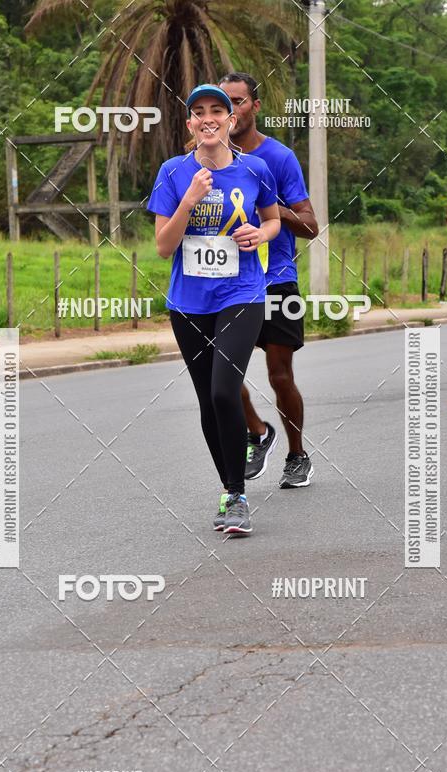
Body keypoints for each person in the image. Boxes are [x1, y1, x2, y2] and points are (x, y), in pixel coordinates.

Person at [147, 84, 280, 535]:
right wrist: (189, 199)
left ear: (231, 120)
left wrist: (261, 235)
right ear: (189, 124)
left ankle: (237, 494)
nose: (208, 118)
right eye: (198, 112)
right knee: (207, 398)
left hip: (242, 294)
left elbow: (275, 219)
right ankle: (230, 489)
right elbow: (164, 247)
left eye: (217, 111)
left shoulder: (255, 168)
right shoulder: (173, 171)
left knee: (226, 391)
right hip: (188, 303)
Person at [218, 72, 319, 487]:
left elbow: (311, 225)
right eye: (225, 104)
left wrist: (270, 209)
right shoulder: (205, 158)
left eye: (239, 102)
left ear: (254, 107)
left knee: (280, 375)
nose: (232, 111)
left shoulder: (278, 158)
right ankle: (258, 433)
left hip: (276, 279)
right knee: (221, 371)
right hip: (226, 281)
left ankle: (297, 455)